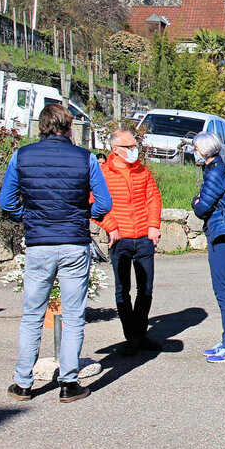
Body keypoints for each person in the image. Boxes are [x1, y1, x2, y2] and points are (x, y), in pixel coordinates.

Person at [0, 103, 112, 403]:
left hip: (39, 243)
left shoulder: (22, 155)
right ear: (67, 126)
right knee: (74, 315)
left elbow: (7, 202)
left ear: (43, 125)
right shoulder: (85, 158)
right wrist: (83, 214)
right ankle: (69, 382)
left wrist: (29, 217)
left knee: (32, 315)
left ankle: (23, 382)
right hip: (74, 242)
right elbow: (104, 203)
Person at [97, 128, 163, 357]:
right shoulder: (103, 173)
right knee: (122, 291)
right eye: (130, 147)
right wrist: (110, 226)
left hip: (144, 238)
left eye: (136, 146)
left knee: (145, 290)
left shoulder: (142, 171)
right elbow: (92, 203)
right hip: (120, 239)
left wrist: (153, 225)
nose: (135, 151)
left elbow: (153, 197)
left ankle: (140, 333)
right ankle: (131, 337)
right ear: (116, 150)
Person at [192, 131, 225, 363]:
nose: (194, 152)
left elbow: (203, 207)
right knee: (221, 288)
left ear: (204, 150)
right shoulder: (218, 170)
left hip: (223, 234)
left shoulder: (215, 173)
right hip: (221, 233)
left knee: (223, 289)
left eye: (195, 148)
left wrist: (196, 201)